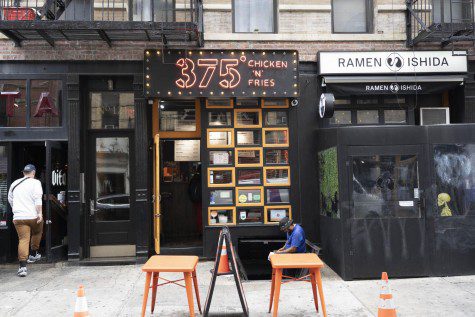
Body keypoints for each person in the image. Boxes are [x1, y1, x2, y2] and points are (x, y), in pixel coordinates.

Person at [8, 164, 44, 277]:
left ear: (24, 173)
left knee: (23, 239)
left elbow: (10, 199)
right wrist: (40, 214)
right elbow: (38, 200)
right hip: (32, 216)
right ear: (33, 173)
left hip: (19, 217)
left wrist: (17, 210)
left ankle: (22, 268)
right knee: (38, 231)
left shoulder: (14, 183)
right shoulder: (36, 183)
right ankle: (33, 254)